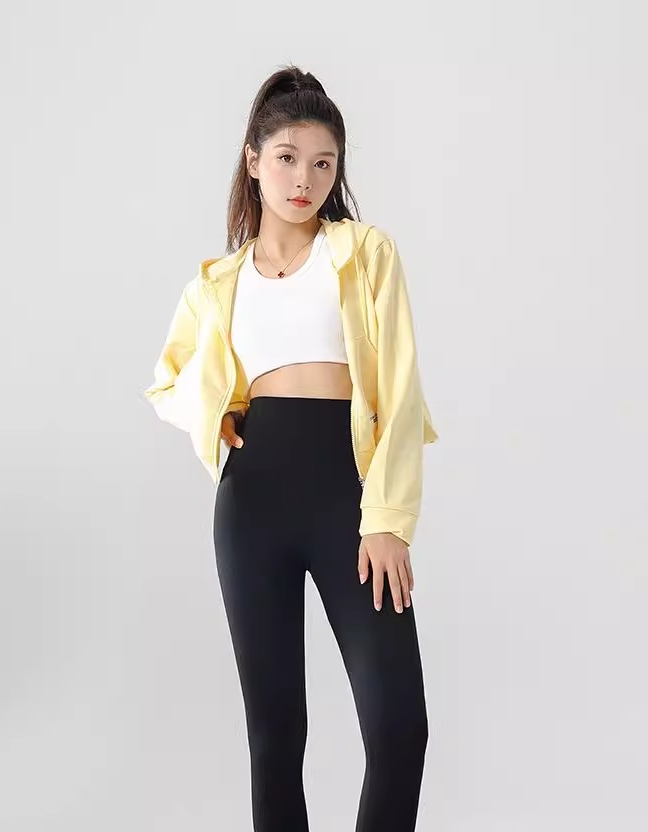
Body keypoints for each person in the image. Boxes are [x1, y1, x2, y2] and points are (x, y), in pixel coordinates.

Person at [143, 65, 439, 832]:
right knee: (275, 738)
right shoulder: (217, 285)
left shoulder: (365, 254)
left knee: (399, 728)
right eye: (286, 158)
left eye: (322, 163)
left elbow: (400, 392)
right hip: (252, 505)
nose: (304, 179)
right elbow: (166, 383)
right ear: (253, 160)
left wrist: (388, 519)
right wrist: (214, 412)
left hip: (350, 499)